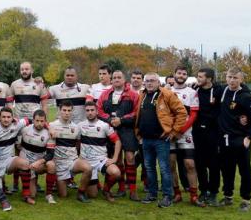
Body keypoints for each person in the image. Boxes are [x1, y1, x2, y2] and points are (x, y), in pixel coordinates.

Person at [135, 73, 187, 208]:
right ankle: (152, 194)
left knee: (164, 168)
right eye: (147, 81)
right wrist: (138, 132)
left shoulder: (167, 94)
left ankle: (167, 196)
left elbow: (182, 112)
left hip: (161, 139)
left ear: (159, 82)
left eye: (152, 81)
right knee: (149, 167)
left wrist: (174, 131)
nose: (149, 83)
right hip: (146, 139)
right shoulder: (142, 95)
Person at [218, 67, 251, 212]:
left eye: (235, 78)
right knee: (227, 169)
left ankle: (246, 199)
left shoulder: (246, 97)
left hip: (240, 139)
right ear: (226, 77)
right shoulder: (222, 90)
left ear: (241, 79)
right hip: (224, 139)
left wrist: (248, 137)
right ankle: (227, 196)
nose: (232, 80)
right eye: (229, 77)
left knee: (244, 170)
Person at [96, 70, 140, 201]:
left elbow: (136, 112)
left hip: (127, 129)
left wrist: (122, 119)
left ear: (124, 79)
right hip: (110, 130)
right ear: (111, 80)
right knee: (116, 159)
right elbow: (99, 110)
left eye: (119, 77)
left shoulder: (132, 94)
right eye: (114, 77)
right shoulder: (105, 94)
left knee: (130, 157)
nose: (116, 79)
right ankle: (121, 188)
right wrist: (109, 120)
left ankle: (132, 190)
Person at [169, 66, 204, 206]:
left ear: (186, 76)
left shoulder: (192, 92)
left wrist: (180, 130)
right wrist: (171, 131)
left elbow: (194, 114)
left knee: (189, 164)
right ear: (174, 74)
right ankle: (176, 194)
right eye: (179, 73)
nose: (181, 75)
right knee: (171, 164)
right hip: (169, 134)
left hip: (185, 133)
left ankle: (194, 196)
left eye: (184, 74)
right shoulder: (166, 91)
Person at [47, 101, 93, 202]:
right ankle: (61, 181)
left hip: (72, 161)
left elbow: (78, 144)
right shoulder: (52, 125)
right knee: (63, 195)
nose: (67, 113)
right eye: (64, 110)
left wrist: (79, 156)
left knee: (88, 168)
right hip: (59, 163)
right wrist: (49, 128)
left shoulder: (76, 127)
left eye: (69, 110)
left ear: (72, 112)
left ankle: (81, 193)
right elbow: (43, 124)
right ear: (59, 111)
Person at [77, 101, 122, 202]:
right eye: (87, 110)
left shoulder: (104, 125)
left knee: (116, 173)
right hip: (87, 162)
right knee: (92, 195)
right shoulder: (80, 126)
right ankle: (93, 182)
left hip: (100, 160)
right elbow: (76, 142)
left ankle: (106, 190)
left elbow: (117, 141)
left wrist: (114, 158)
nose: (90, 112)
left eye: (92, 110)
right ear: (85, 112)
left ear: (97, 111)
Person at [193, 68, 223, 206]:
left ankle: (213, 193)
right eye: (197, 76)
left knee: (214, 165)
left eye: (201, 77)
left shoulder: (219, 91)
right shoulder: (195, 90)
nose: (198, 79)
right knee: (200, 164)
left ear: (209, 78)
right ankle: (203, 191)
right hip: (198, 133)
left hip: (213, 133)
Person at [0, 108, 34, 204]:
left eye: (8, 117)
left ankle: (26, 195)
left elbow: (31, 120)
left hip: (8, 161)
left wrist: (48, 126)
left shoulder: (16, 124)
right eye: (3, 117)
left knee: (25, 163)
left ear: (12, 118)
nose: (6, 119)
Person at [18, 109, 57, 204]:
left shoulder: (49, 133)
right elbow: (18, 146)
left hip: (39, 164)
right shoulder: (25, 129)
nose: (39, 123)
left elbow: (50, 154)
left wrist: (39, 162)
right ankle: (31, 180)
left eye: (42, 121)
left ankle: (49, 194)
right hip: (27, 165)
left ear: (45, 121)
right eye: (37, 121)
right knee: (32, 195)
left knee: (51, 165)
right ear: (33, 120)